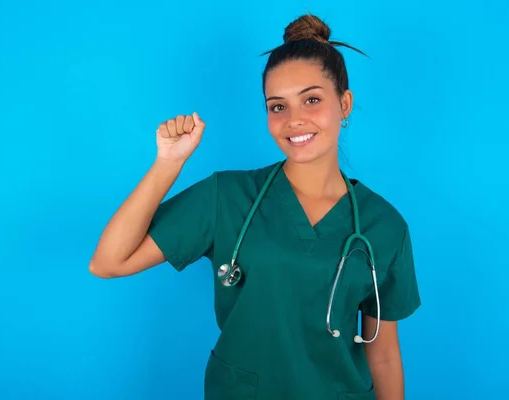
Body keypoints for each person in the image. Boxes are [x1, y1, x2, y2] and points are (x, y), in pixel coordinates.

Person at [90, 13, 421, 400]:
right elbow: (108, 262)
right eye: (277, 106)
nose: (294, 120)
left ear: (344, 104)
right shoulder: (226, 197)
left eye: (312, 100)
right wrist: (169, 163)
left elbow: (382, 355)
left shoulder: (383, 226)